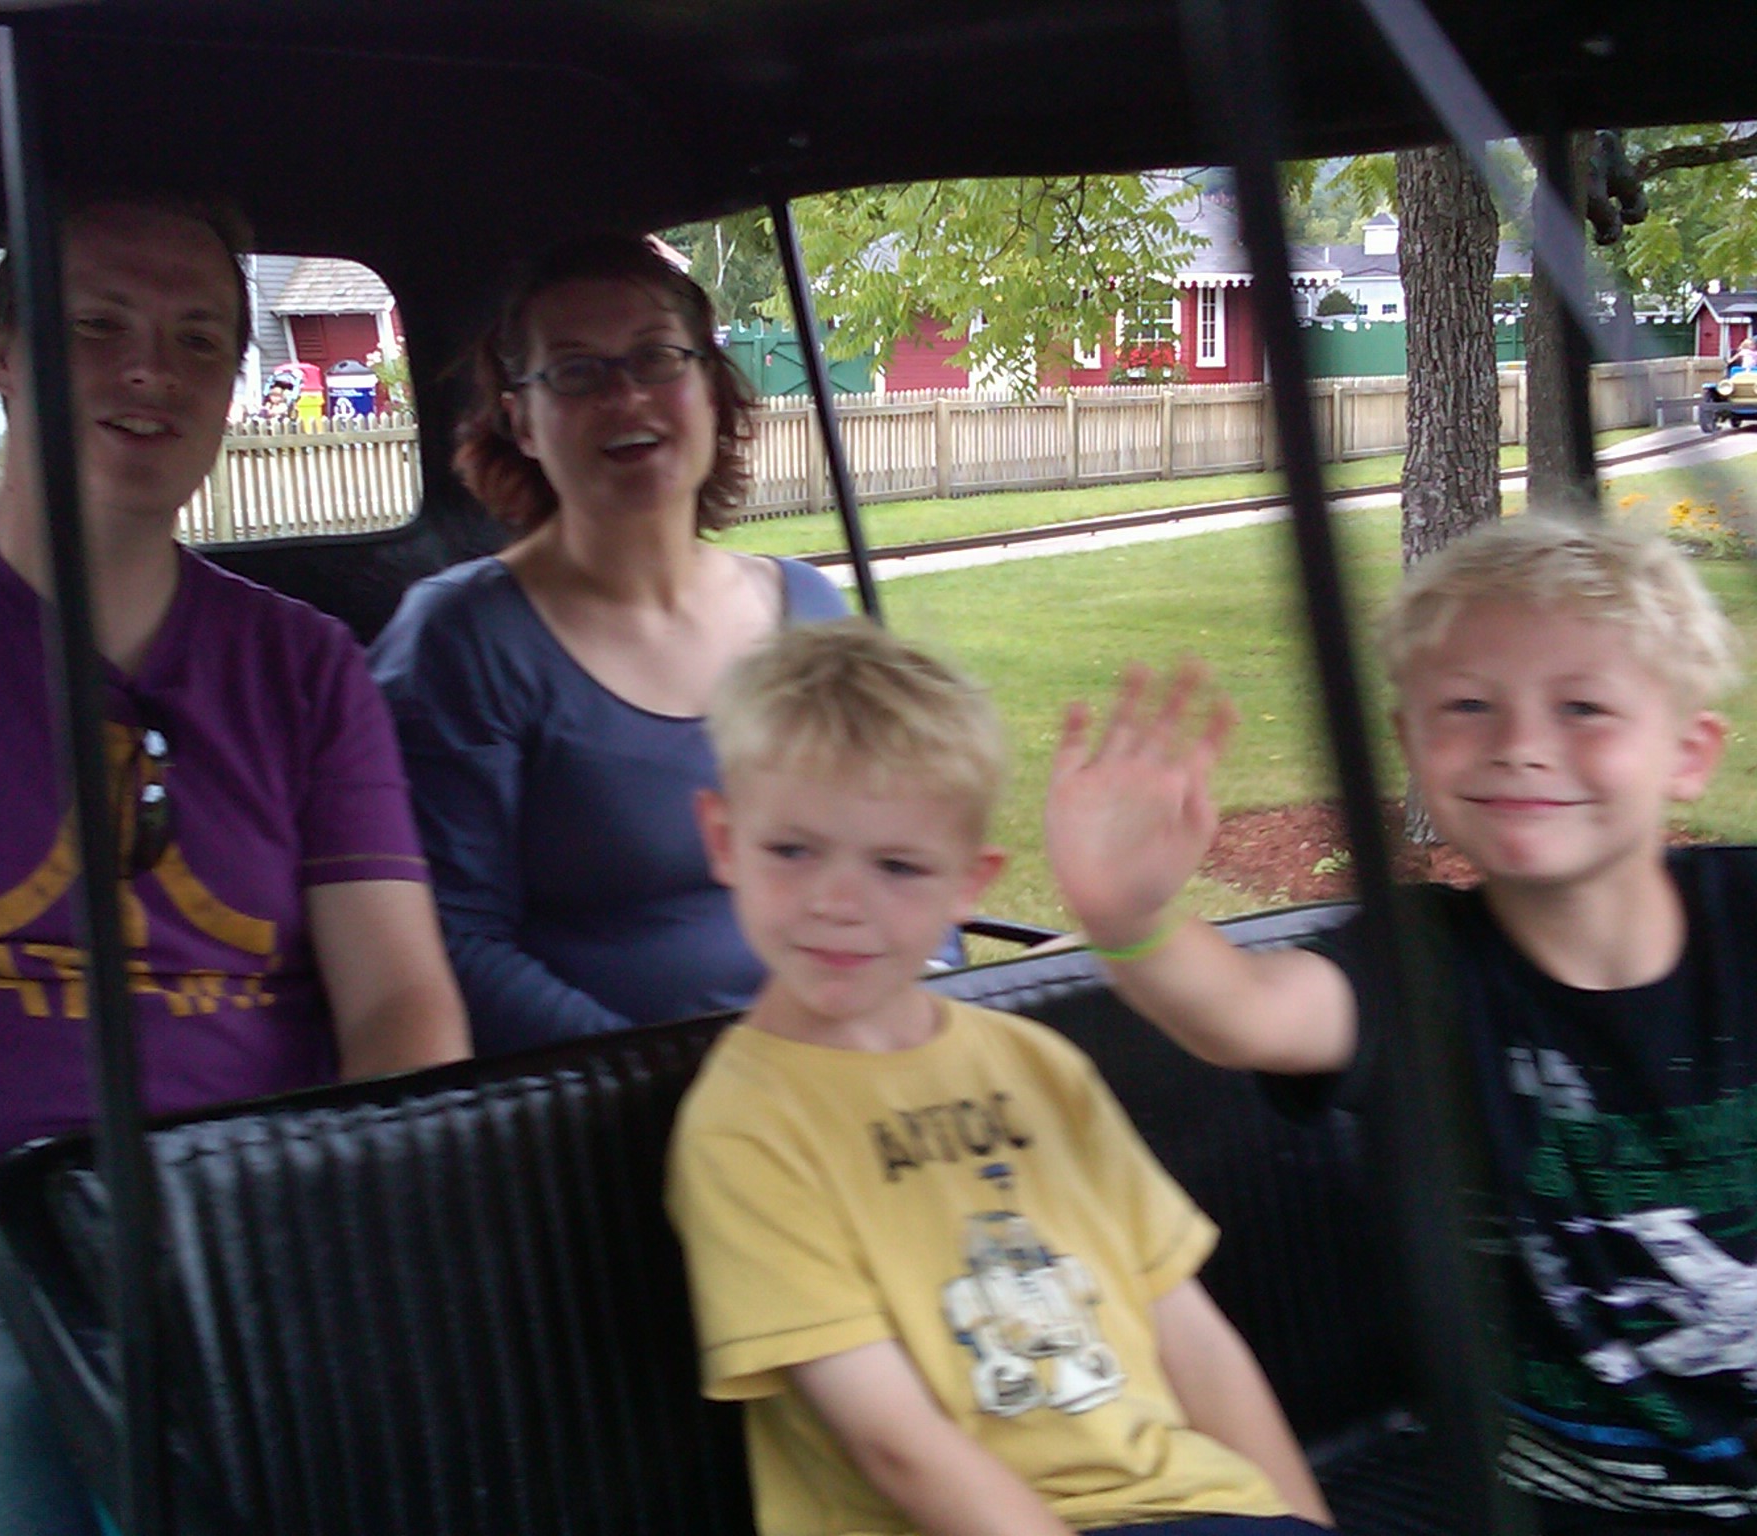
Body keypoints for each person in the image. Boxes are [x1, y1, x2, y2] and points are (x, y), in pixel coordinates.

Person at [0, 194, 470, 1536]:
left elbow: (401, 998)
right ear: (2, 354)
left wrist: (363, 1206)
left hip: (256, 1209)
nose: (149, 370)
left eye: (197, 338)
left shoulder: (304, 668)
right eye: (96, 327)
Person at [1044, 514, 1757, 1529]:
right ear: (1410, 743)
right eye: (1466, 706)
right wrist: (1128, 918)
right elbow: (1243, 1015)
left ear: (1686, 754)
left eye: (1583, 708)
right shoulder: (1419, 968)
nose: (1519, 747)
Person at [666, 619, 1333, 1536]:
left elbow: (1192, 1336)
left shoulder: (1037, 1065)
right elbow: (896, 1445)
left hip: (1190, 1506)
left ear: (967, 884)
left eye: (898, 865)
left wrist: (1304, 1521)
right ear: (723, 838)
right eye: (792, 851)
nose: (838, 901)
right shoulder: (747, 1125)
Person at [370, 233, 848, 1056]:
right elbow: (452, 943)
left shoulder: (812, 610)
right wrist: (675, 1086)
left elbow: (898, 856)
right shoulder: (464, 641)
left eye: (657, 357)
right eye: (576, 371)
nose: (626, 397)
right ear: (521, 420)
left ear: (709, 387)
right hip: (615, 1106)